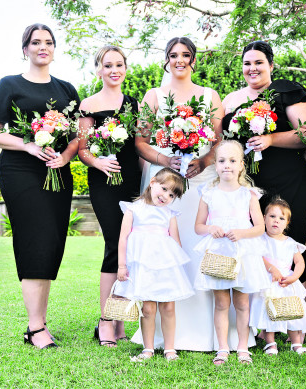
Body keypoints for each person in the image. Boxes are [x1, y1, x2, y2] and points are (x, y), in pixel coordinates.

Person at [134, 37, 250, 351]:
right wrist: (164, 159)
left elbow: (218, 140)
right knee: (166, 246)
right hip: (166, 181)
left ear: (194, 60)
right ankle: (166, 331)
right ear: (166, 60)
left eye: (185, 55)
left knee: (203, 245)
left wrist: (204, 160)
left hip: (201, 179)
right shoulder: (154, 95)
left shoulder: (209, 95)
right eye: (173, 55)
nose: (179, 60)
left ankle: (210, 331)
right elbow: (141, 142)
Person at [0, 23, 81, 349]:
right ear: (25, 49)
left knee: (51, 243)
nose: (42, 47)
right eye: (35, 42)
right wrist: (27, 145)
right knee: (34, 242)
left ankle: (40, 324)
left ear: (54, 48)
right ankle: (35, 327)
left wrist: (65, 157)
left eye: (48, 42)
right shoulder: (9, 84)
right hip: (21, 171)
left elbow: (77, 136)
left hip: (57, 172)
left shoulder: (66, 89)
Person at [222, 41, 306, 290]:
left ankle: (295, 310)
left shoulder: (286, 91)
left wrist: (271, 139)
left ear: (271, 65)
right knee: (253, 246)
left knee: (289, 244)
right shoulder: (231, 99)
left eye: (259, 62)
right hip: (248, 185)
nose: (252, 68)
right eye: (247, 63)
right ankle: (258, 311)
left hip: (288, 181)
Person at [77, 45, 141, 347]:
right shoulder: (88, 104)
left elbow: (139, 146)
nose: (114, 70)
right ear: (98, 70)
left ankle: (120, 321)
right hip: (104, 180)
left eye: (119, 64)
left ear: (125, 68)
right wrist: (99, 162)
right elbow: (82, 149)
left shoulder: (134, 104)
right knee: (115, 244)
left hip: (132, 180)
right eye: (107, 65)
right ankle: (105, 321)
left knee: (131, 248)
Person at [193, 140, 271, 365]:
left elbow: (260, 227)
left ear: (241, 165)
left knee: (243, 303)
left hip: (242, 254)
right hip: (218, 253)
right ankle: (222, 348)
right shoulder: (208, 193)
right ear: (215, 165)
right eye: (221, 161)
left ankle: (243, 347)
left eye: (232, 160)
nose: (227, 165)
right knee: (221, 303)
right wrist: (210, 228)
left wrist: (242, 233)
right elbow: (198, 226)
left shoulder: (249, 195)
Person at [115, 168, 194, 361]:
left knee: (168, 307)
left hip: (166, 267)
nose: (166, 196)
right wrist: (122, 265)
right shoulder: (134, 209)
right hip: (144, 268)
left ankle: (169, 348)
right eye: (164, 188)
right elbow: (123, 238)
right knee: (148, 309)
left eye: (172, 195)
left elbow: (176, 241)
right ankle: (148, 348)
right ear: (152, 182)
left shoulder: (169, 214)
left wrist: (177, 268)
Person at [249, 197, 306, 355]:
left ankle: (296, 343)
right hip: (268, 280)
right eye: (272, 216)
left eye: (281, 218)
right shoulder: (260, 239)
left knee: (291, 311)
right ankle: (270, 343)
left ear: (287, 223)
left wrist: (294, 277)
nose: (276, 221)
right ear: (264, 218)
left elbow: (299, 262)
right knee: (268, 311)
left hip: (286, 281)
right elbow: (257, 257)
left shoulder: (290, 242)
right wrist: (271, 268)